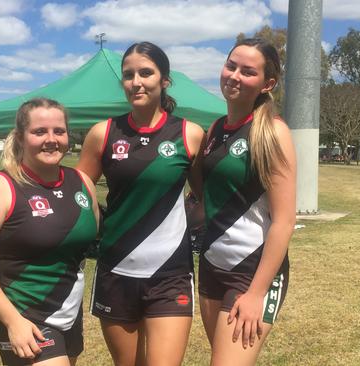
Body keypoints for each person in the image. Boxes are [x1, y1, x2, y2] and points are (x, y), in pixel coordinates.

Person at [76, 41, 205, 366]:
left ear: (165, 80)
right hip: (116, 270)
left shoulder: (189, 134)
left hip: (170, 274)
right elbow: (79, 190)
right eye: (128, 74)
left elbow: (205, 196)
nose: (136, 81)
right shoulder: (103, 133)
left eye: (146, 73)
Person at [0, 98, 99, 366]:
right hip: (25, 315)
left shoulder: (82, 182)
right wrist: (13, 321)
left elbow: (91, 239)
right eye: (39, 132)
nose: (51, 139)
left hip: (69, 312)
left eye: (59, 131)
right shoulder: (0, 187)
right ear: (21, 138)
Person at [195, 37, 297, 365]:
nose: (234, 76)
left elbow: (284, 220)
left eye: (247, 72)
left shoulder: (272, 132)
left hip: (252, 272)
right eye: (231, 66)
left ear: (267, 83)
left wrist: (256, 293)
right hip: (211, 266)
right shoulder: (214, 129)